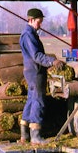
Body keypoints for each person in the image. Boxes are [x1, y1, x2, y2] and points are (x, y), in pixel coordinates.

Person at [19, 8, 64, 145]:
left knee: (31, 99)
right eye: (39, 21)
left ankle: (24, 135)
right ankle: (35, 137)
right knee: (39, 101)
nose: (40, 25)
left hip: (32, 71)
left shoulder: (29, 33)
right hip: (35, 72)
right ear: (31, 20)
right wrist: (52, 61)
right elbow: (36, 55)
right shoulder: (29, 35)